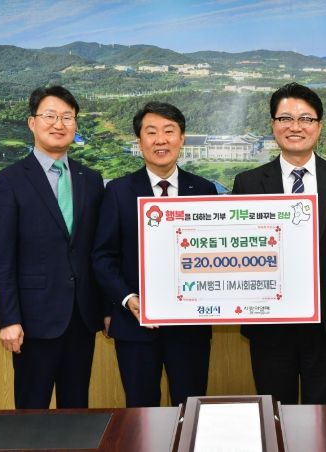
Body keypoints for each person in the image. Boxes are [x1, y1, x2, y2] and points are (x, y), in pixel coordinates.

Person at [232, 83, 326, 404]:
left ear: (319, 126)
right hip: (269, 321)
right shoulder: (248, 183)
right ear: (273, 125)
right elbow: (238, 252)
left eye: (305, 119)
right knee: (274, 409)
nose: (295, 127)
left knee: (322, 412)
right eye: (285, 119)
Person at [92, 102, 217, 407]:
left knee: (191, 409)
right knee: (141, 412)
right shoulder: (118, 191)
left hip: (190, 329)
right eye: (151, 132)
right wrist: (126, 299)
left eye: (169, 131)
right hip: (135, 325)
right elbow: (103, 257)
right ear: (140, 141)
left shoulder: (204, 190)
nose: (160, 140)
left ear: (182, 138)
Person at [0, 85, 104, 408]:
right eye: (50, 116)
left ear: (75, 124)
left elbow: (97, 251)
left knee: (76, 411)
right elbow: (2, 258)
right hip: (32, 322)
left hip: (81, 319)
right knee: (32, 414)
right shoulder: (8, 181)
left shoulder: (91, 179)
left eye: (67, 117)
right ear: (32, 123)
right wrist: (8, 319)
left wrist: (106, 310)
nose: (59, 124)